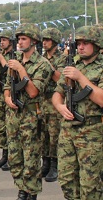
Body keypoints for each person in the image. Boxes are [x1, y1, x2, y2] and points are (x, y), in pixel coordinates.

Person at [52, 25, 103, 200]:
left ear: (96, 45)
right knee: (66, 179)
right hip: (68, 130)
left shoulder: (101, 68)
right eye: (79, 43)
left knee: (90, 184)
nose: (80, 47)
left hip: (92, 131)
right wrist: (59, 106)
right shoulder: (72, 66)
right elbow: (56, 94)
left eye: (85, 43)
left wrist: (80, 78)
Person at [3, 23, 53, 200]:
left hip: (31, 118)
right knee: (15, 158)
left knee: (31, 159)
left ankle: (31, 193)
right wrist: (8, 98)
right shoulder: (15, 60)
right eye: (19, 39)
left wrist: (21, 70)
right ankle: (21, 188)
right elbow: (7, 86)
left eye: (24, 39)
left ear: (33, 41)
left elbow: (33, 91)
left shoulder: (42, 64)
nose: (20, 42)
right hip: (13, 117)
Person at [40, 28, 66, 182]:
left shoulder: (62, 59)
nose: (44, 42)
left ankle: (54, 165)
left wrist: (47, 65)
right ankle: (46, 163)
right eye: (44, 39)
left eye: (48, 40)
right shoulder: (41, 57)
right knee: (43, 134)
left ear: (55, 42)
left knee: (54, 134)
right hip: (41, 101)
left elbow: (60, 79)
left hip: (54, 101)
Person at [0, 29, 14, 171]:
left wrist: (1, 60)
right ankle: (4, 154)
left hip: (10, 95)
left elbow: (12, 72)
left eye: (5, 40)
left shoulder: (15, 56)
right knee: (0, 127)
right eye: (1, 40)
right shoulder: (1, 54)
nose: (2, 42)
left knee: (10, 128)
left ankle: (12, 157)